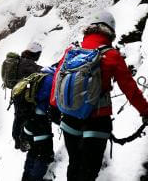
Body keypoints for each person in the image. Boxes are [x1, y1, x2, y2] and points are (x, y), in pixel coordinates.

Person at [50, 10, 148, 181]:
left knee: (74, 165)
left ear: (89, 29)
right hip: (97, 120)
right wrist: (146, 111)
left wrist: (55, 108)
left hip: (69, 119)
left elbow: (57, 80)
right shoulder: (111, 55)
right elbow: (130, 89)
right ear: (110, 31)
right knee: (88, 171)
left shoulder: (72, 51)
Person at [21, 66, 56, 181]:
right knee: (42, 155)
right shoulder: (52, 80)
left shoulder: (38, 77)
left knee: (33, 152)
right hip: (40, 123)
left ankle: (26, 178)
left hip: (28, 121)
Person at [13, 41, 43, 149]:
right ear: (35, 53)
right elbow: (39, 71)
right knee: (24, 118)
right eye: (39, 53)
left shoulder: (22, 60)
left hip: (17, 94)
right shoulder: (27, 63)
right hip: (23, 96)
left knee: (18, 117)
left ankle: (18, 140)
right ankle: (22, 141)